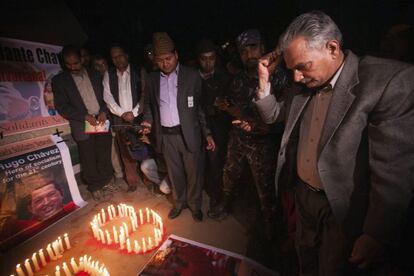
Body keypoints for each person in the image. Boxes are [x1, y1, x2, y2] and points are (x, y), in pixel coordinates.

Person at [255, 11, 414, 275]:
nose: (296, 77)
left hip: (342, 206)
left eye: (302, 66)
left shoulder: (386, 82)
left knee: (333, 267)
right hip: (304, 196)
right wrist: (263, 80)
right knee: (305, 258)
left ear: (331, 48)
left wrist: (377, 233)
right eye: (291, 69)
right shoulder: (302, 84)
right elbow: (273, 115)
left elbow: (394, 170)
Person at [209, 30, 281, 237]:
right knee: (229, 174)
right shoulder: (237, 79)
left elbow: (289, 118)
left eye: (253, 47)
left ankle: (271, 227)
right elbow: (232, 104)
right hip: (238, 139)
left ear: (263, 47)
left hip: (264, 145)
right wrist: (224, 106)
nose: (249, 54)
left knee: (266, 188)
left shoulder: (278, 77)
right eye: (243, 50)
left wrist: (264, 127)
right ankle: (225, 204)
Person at [141, 32, 215, 222]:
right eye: (160, 60)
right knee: (175, 175)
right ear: (155, 61)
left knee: (194, 174)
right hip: (166, 136)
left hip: (189, 134)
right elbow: (149, 105)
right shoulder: (151, 79)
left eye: (168, 58)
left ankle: (195, 205)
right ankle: (179, 203)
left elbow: (200, 109)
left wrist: (207, 134)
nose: (165, 63)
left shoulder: (192, 76)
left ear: (177, 55)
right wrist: (147, 122)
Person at [52, 45, 113, 200]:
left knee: (103, 153)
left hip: (100, 120)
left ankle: (105, 181)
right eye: (68, 64)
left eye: (76, 63)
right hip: (83, 123)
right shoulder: (60, 81)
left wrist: (104, 111)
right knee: (88, 157)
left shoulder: (95, 75)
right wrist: (85, 117)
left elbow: (107, 97)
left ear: (82, 59)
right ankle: (94, 186)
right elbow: (62, 106)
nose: (72, 67)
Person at [196, 39, 232, 217]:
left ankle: (216, 199)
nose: (208, 62)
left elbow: (231, 105)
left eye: (211, 58)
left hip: (218, 129)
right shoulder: (194, 78)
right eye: (204, 58)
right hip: (197, 128)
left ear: (216, 58)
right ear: (198, 59)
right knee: (202, 163)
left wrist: (220, 107)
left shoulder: (224, 77)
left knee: (216, 163)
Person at [103, 45, 142, 192]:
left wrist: (134, 113)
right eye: (114, 57)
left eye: (120, 56)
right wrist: (122, 114)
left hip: (138, 117)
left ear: (127, 55)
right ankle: (132, 181)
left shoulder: (139, 71)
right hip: (120, 121)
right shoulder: (109, 74)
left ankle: (148, 178)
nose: (117, 60)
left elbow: (144, 95)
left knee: (143, 147)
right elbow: (108, 97)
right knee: (125, 151)